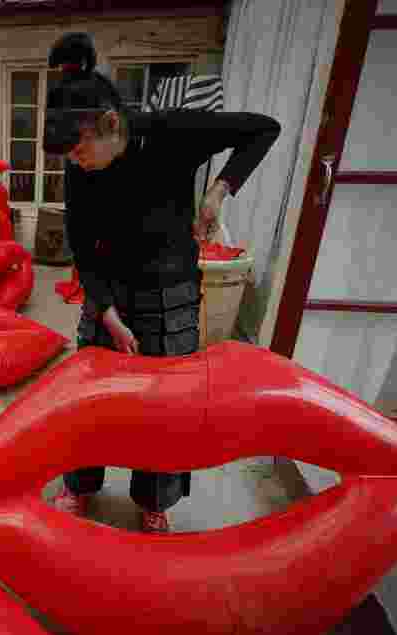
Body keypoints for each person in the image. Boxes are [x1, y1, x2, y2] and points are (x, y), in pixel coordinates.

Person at [44, 32, 281, 533]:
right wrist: (104, 312)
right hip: (108, 291)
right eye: (69, 157)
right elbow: (82, 246)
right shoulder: (82, 167)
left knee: (165, 406)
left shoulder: (171, 132)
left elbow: (264, 129)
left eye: (81, 151)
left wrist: (219, 190)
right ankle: (80, 484)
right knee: (92, 402)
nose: (75, 163)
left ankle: (155, 496)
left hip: (169, 292)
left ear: (111, 125)